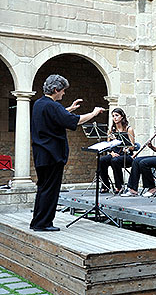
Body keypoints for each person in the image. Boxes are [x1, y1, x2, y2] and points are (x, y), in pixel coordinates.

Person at [30, 74, 104, 231]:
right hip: (52, 155)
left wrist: (68, 109)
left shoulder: (39, 103)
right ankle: (43, 224)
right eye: (63, 91)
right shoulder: (53, 106)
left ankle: (37, 222)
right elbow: (75, 121)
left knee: (43, 188)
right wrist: (93, 113)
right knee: (50, 190)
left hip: (41, 154)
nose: (64, 93)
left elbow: (56, 116)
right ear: (56, 89)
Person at [98, 108, 135, 195]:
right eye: (113, 116)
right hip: (114, 154)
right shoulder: (111, 130)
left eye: (117, 115)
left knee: (115, 161)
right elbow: (108, 145)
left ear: (122, 117)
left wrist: (124, 141)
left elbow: (132, 147)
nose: (115, 118)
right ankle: (105, 185)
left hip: (126, 155)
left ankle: (119, 186)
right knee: (101, 160)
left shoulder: (128, 129)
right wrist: (111, 153)